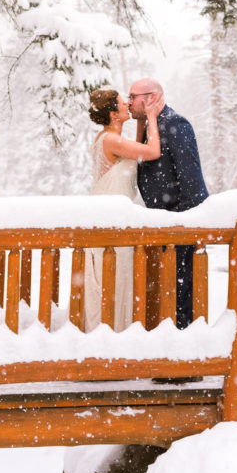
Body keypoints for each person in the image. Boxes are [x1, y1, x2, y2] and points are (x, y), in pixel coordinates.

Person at [129, 78, 209, 329]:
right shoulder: (148, 126)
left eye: (133, 97)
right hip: (161, 228)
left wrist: (181, 228)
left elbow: (192, 182)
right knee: (166, 297)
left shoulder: (176, 124)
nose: (129, 102)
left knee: (183, 298)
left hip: (180, 228)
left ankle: (186, 363)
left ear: (151, 98)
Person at [84, 86, 164, 332]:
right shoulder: (111, 140)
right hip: (111, 221)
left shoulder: (111, 138)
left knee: (119, 280)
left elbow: (136, 146)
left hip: (115, 218)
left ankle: (115, 338)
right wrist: (150, 116)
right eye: (122, 103)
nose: (127, 105)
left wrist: (141, 121)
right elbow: (152, 152)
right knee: (114, 281)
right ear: (112, 115)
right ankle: (111, 341)